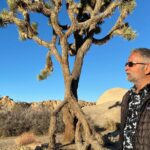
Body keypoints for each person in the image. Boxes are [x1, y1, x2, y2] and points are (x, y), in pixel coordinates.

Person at [120, 48, 150, 150]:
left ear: (147, 68)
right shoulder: (127, 97)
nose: (126, 68)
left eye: (131, 64)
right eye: (126, 64)